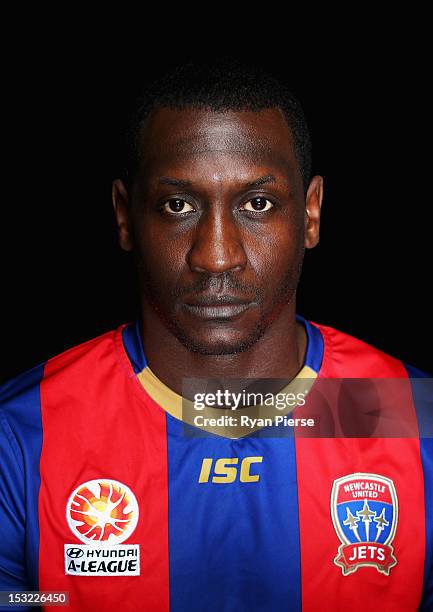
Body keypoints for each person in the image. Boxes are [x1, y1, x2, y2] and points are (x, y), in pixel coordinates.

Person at [0, 59, 431, 612]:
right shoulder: (23, 434)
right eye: (178, 205)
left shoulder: (405, 415)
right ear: (126, 216)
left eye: (257, 204)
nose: (216, 256)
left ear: (311, 212)